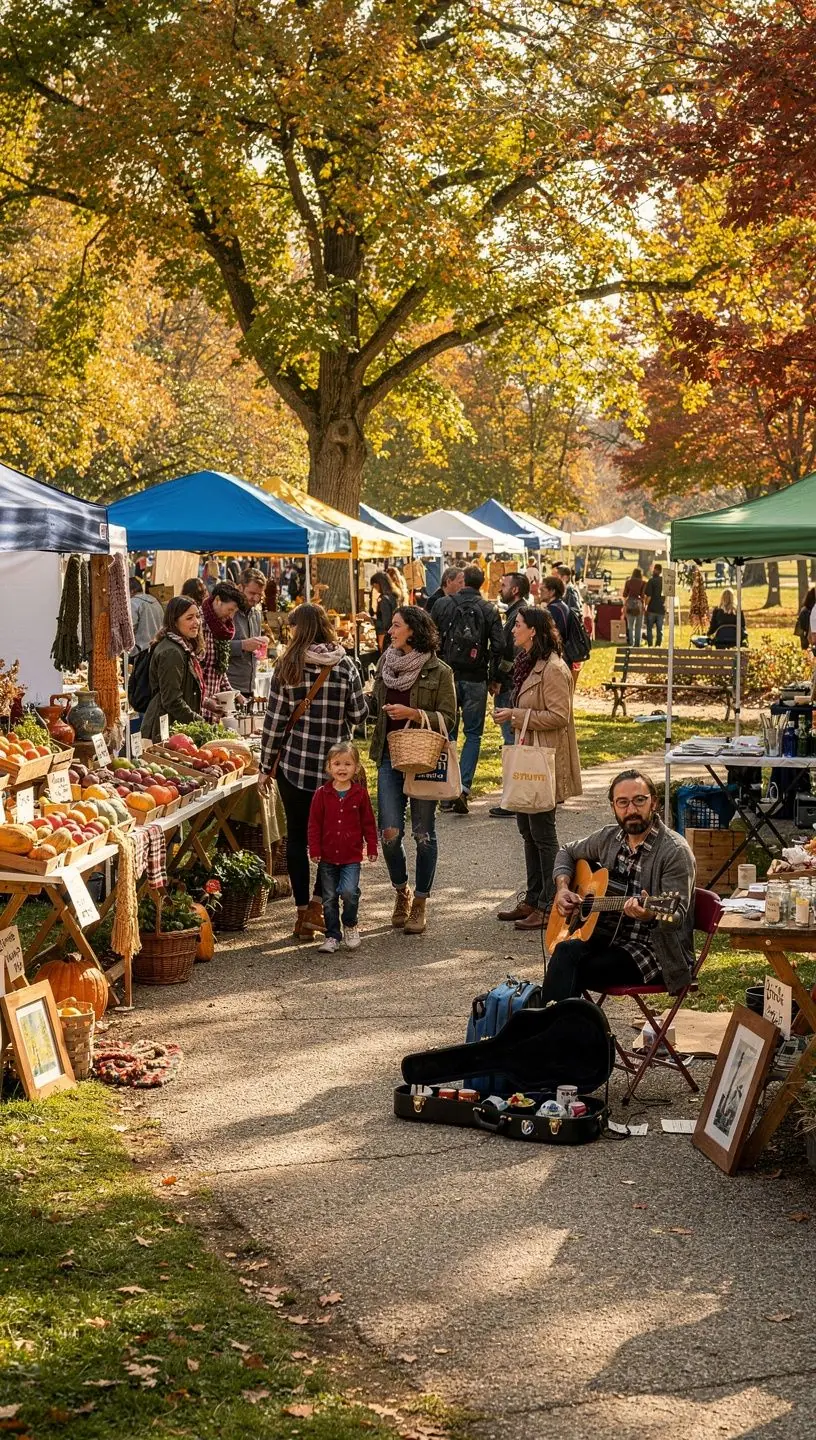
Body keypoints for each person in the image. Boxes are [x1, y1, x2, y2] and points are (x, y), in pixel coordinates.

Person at [258, 605, 367, 940]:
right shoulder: (345, 664)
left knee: (297, 837)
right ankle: (319, 906)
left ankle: (303, 913)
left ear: (298, 630)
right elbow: (360, 714)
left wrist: (265, 767)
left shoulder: (287, 666)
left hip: (295, 765)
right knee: (330, 838)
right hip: (336, 771)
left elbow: (274, 722)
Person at [542, 769, 696, 1001]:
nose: (631, 810)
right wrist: (563, 888)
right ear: (613, 806)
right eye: (622, 802)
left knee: (568, 964)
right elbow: (566, 851)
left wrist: (650, 915)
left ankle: (550, 1029)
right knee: (566, 953)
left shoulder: (674, 852)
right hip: (608, 940)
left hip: (653, 953)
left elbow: (677, 915)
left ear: (653, 803)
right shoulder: (609, 838)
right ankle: (559, 1030)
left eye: (639, 801)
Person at [369, 605, 456, 934]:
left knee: (423, 834)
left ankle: (420, 901)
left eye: (396, 626)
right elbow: (374, 707)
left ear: (414, 630)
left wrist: (413, 712)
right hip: (389, 755)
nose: (391, 631)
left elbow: (450, 720)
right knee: (390, 834)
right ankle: (401, 891)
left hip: (423, 758)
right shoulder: (385, 663)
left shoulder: (440, 671)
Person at [494, 607, 582, 930]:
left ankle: (550, 904)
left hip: (545, 761)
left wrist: (517, 716)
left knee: (543, 833)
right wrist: (515, 714)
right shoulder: (528, 664)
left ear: (534, 631)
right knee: (527, 830)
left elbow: (560, 716)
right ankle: (534, 897)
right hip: (529, 757)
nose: (512, 629)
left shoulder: (554, 669)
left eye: (517, 625)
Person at [433, 565, 504, 815]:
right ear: (482, 584)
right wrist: (495, 677)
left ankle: (446, 790)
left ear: (463, 582)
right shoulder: (489, 609)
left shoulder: (443, 604)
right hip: (476, 678)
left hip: (447, 676)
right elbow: (499, 646)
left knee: (448, 734)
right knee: (473, 734)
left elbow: (431, 637)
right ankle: (463, 787)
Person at [308, 741, 377, 954]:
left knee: (348, 892)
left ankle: (350, 924)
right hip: (328, 857)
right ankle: (332, 935)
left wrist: (372, 846)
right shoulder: (322, 794)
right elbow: (314, 824)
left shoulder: (359, 794)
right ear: (329, 767)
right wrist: (315, 849)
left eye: (347, 764)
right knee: (328, 898)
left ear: (355, 768)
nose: (342, 768)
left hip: (351, 857)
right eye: (337, 764)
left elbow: (368, 822)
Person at [141, 597, 223, 740]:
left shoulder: (183, 648)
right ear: (174, 621)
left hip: (176, 728)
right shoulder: (171, 652)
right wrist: (201, 723)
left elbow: (184, 690)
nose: (196, 622)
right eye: (189, 618)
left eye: (198, 616)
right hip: (166, 730)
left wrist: (206, 702)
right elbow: (172, 700)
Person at [488, 571, 530, 819]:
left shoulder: (519, 615)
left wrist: (499, 679)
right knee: (513, 742)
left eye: (503, 585)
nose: (499, 587)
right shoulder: (516, 612)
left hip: (510, 686)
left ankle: (513, 798)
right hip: (511, 684)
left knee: (513, 743)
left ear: (514, 590)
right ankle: (514, 796)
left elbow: (510, 654)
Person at [227, 567, 267, 699]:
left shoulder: (256, 614)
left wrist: (260, 646)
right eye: (252, 593)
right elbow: (214, 647)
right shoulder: (228, 612)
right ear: (240, 588)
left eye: (259, 595)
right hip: (230, 686)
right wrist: (243, 645)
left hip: (250, 686)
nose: (255, 598)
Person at [129, 576, 164, 653]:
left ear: (131, 591)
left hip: (142, 649)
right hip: (158, 646)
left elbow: (130, 628)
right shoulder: (154, 599)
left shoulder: (133, 602)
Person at [370, 571, 400, 651]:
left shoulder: (384, 600)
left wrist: (370, 619)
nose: (375, 589)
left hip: (384, 635)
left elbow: (385, 623)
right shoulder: (394, 596)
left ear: (379, 584)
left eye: (375, 586)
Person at [540, 574, 570, 645]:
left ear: (552, 592)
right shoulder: (561, 606)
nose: (539, 591)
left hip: (557, 651)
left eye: (542, 589)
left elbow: (546, 635)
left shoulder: (553, 609)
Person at [623, 567, 646, 647]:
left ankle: (631, 642)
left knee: (630, 625)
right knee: (638, 625)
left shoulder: (628, 582)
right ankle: (637, 643)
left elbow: (625, 594)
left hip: (630, 603)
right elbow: (643, 595)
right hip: (639, 603)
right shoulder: (643, 583)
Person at [644, 563, 666, 647]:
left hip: (652, 608)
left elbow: (648, 596)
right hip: (661, 608)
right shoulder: (664, 581)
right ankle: (658, 645)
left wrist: (645, 606)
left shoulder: (651, 581)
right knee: (659, 629)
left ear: (656, 570)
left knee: (649, 628)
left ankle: (650, 645)